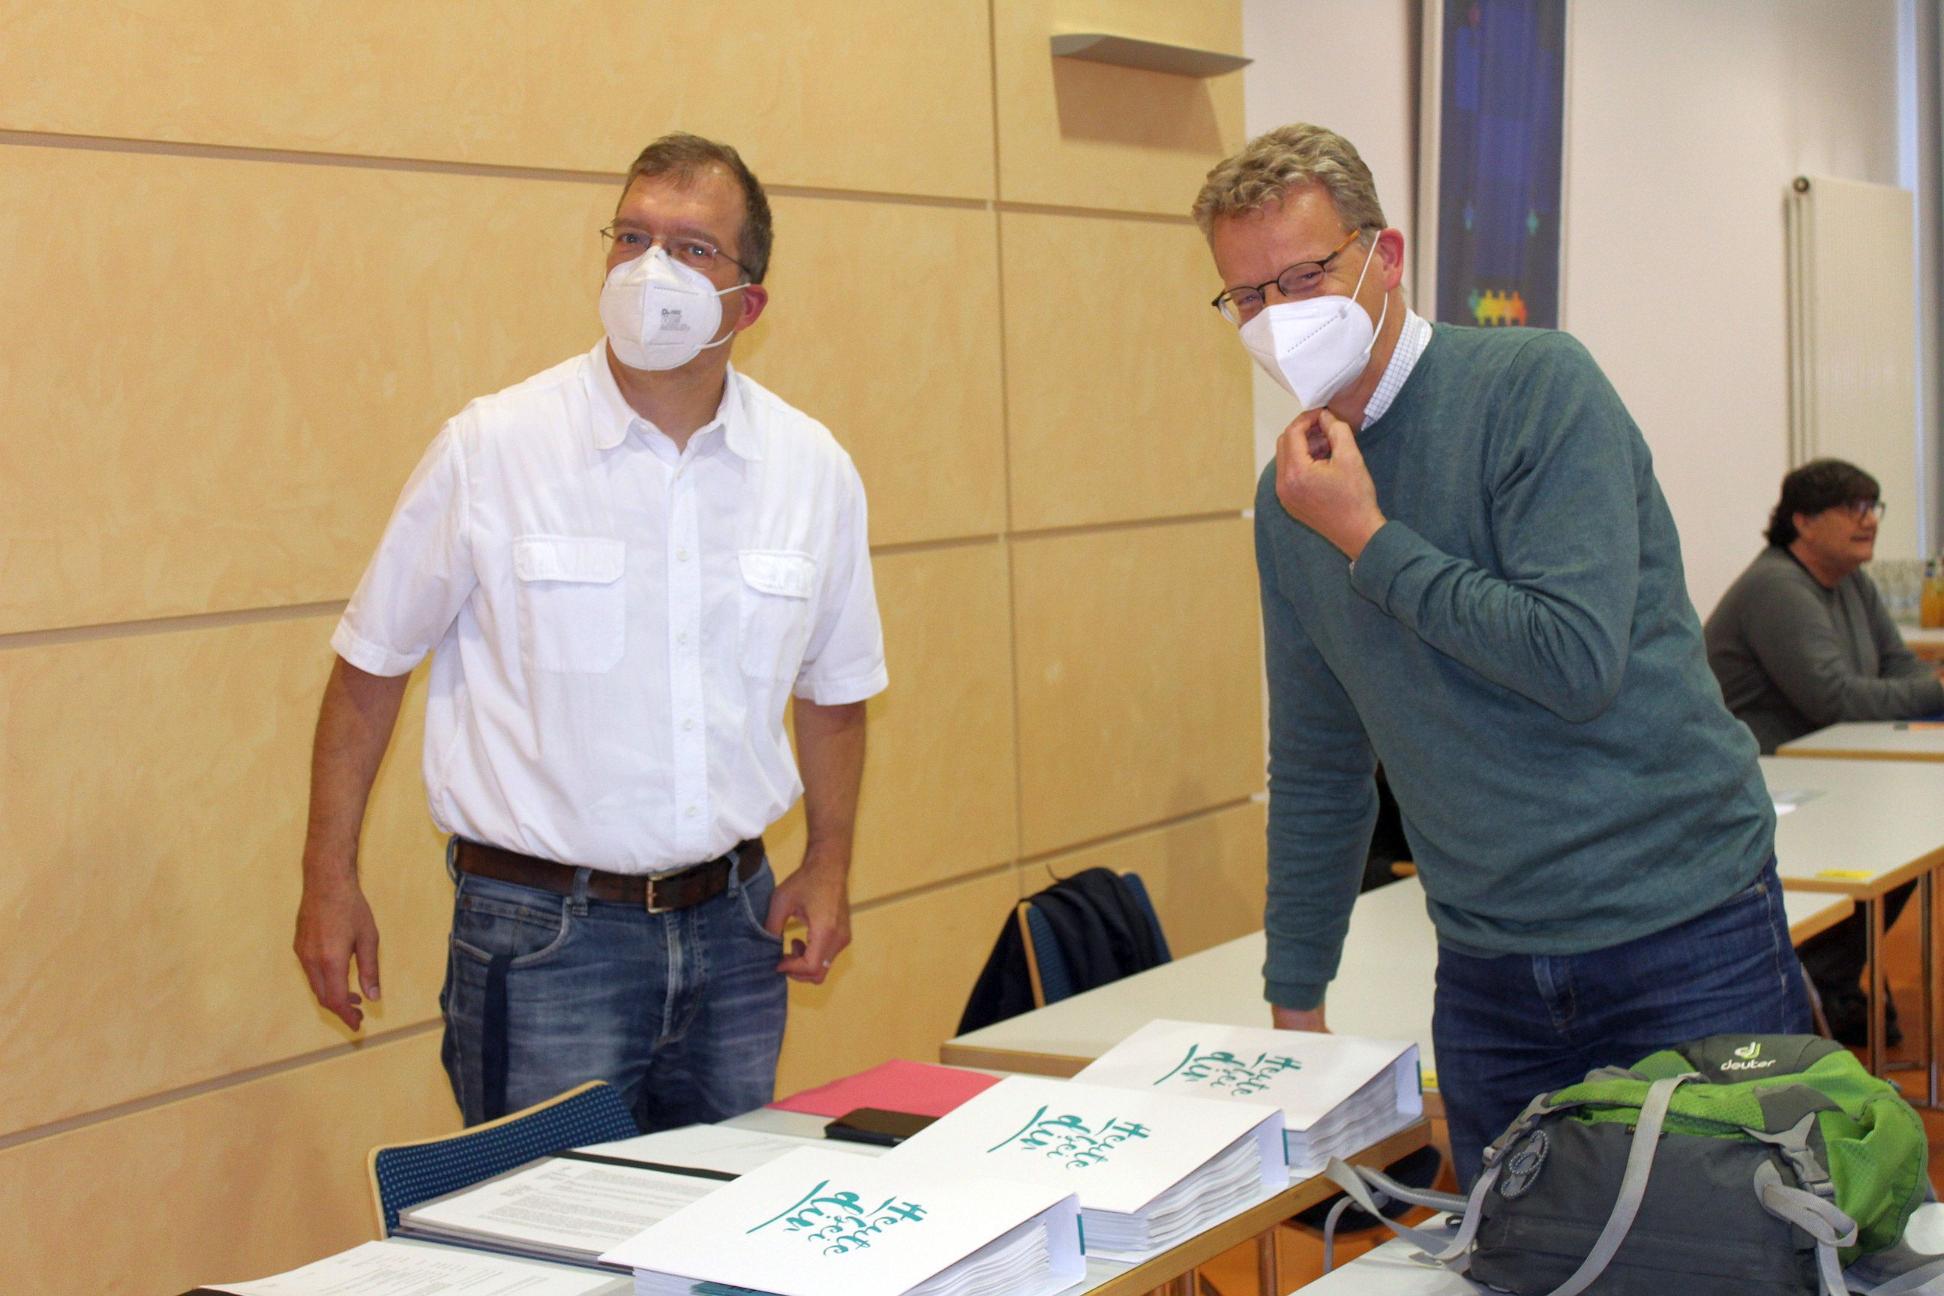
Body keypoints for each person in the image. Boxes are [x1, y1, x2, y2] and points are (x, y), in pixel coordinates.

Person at [1193, 123, 1810, 1186]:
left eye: (1306, 276)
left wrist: (1369, 540)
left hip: (1681, 923)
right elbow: (1317, 756)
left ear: (1384, 258)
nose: (1280, 317)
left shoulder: (1536, 387)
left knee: (1739, 1245)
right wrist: (1297, 986)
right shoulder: (1291, 496)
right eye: (1247, 297)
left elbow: (1572, 660)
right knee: (1524, 1253)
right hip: (1488, 962)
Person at [293, 133, 887, 1131]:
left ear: (750, 302)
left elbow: (834, 689)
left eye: (693, 248)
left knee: (716, 1245)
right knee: (541, 1260)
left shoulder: (811, 467)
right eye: (632, 236)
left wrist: (828, 861)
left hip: (736, 935)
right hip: (541, 939)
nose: (652, 269)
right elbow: (370, 667)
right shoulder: (492, 448)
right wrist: (329, 880)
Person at [1706, 458, 1944, 1042]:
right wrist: (1937, 690)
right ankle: (1815, 988)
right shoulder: (1777, 586)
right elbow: (1832, 698)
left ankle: (1832, 987)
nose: (1868, 522)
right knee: (1882, 855)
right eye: (1851, 508)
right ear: (1803, 521)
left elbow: (1895, 665)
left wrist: (1926, 688)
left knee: (1904, 847)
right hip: (1767, 781)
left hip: (1830, 771)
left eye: (1872, 507)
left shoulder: (1850, 581)